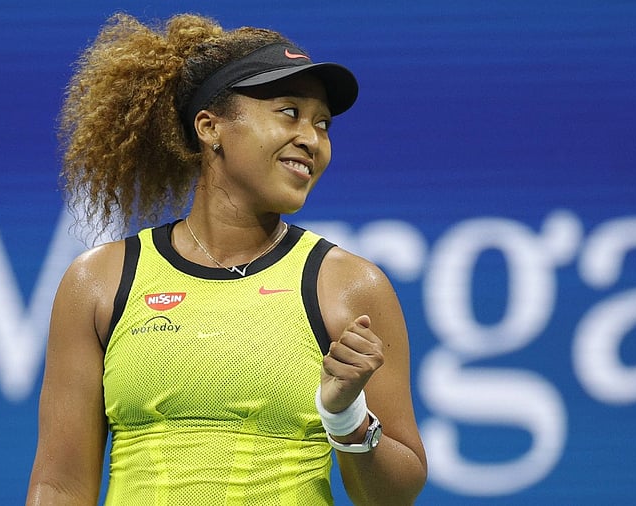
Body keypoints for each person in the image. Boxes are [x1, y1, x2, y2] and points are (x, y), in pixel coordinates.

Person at [26, 12, 427, 505]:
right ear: (210, 127)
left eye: (322, 123)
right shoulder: (99, 281)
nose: (312, 139)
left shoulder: (351, 287)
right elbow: (59, 485)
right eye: (289, 112)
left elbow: (395, 496)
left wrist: (346, 415)